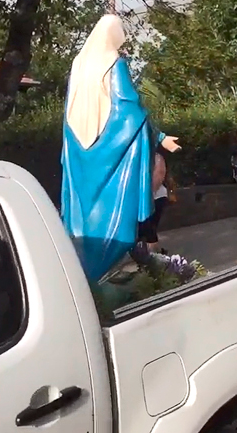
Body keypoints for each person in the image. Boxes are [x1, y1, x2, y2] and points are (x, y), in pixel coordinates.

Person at [61, 14, 180, 282]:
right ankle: (102, 276)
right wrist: (160, 138)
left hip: (79, 154)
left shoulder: (78, 65)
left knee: (82, 219)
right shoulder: (115, 63)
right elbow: (130, 110)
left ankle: (83, 275)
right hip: (111, 154)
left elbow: (70, 111)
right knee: (117, 224)